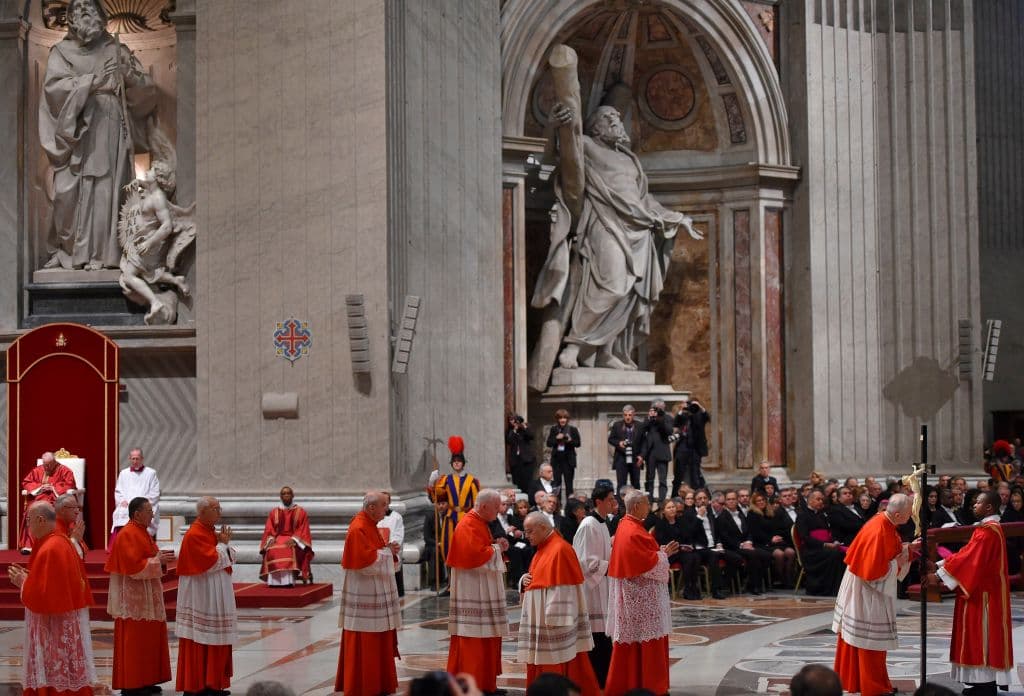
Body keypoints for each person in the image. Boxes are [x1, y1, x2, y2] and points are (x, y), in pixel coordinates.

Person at [528, 102, 701, 387]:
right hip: (605, 223)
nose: (616, 123)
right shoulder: (585, 144)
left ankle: (607, 351)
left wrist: (677, 217)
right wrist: (552, 126)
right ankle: (575, 345)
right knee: (610, 283)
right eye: (609, 119)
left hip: (639, 230)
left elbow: (643, 200)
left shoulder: (630, 160)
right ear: (595, 126)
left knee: (630, 293)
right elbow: (547, 160)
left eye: (618, 119)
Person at [38, 0, 157, 271]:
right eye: (76, 11)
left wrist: (127, 75)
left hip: (112, 126)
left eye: (87, 10)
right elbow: (53, 90)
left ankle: (108, 255)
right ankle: (72, 251)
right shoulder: (61, 53)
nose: (82, 15)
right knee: (69, 193)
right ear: (69, 19)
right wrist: (89, 83)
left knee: (108, 188)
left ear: (100, 16)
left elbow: (147, 93)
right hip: (77, 133)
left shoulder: (117, 49)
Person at [923, 491, 1013, 696]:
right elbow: (966, 554)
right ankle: (982, 684)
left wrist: (937, 575)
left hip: (983, 595)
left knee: (980, 636)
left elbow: (970, 561)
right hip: (984, 592)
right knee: (978, 636)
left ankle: (986, 686)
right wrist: (939, 564)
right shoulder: (988, 529)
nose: (973, 506)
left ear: (989, 507)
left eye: (978, 503)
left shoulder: (988, 532)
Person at [9, 501, 96, 696]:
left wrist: (22, 583)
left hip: (53, 627)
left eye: (29, 521)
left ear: (40, 519)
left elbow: (42, 595)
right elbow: (49, 583)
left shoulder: (50, 547)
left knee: (55, 677)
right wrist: (29, 578)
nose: (28, 527)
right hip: (62, 622)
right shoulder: (60, 541)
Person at [832, 493, 915, 696]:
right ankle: (873, 687)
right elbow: (873, 573)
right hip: (867, 589)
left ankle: (861, 681)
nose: (911, 517)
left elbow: (887, 553)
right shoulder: (878, 529)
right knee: (869, 638)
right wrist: (901, 560)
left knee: (859, 638)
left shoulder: (884, 522)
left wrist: (907, 550)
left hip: (863, 585)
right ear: (897, 514)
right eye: (908, 514)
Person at [518, 512, 600, 694]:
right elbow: (536, 579)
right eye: (526, 532)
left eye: (530, 531)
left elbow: (564, 589)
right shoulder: (543, 547)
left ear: (543, 528)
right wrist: (523, 581)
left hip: (553, 624)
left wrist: (555, 621)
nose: (528, 536)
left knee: (556, 663)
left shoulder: (560, 549)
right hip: (541, 622)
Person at [605, 491, 678, 696]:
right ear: (636, 506)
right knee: (647, 645)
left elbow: (643, 556)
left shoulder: (628, 525)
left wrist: (660, 552)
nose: (650, 507)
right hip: (641, 597)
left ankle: (638, 684)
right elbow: (645, 563)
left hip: (637, 596)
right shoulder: (632, 530)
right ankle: (653, 687)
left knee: (636, 644)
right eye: (646, 503)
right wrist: (664, 555)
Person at [334, 491, 401, 696]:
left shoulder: (370, 525)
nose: (386, 509)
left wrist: (388, 550)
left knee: (378, 636)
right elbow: (365, 562)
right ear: (371, 507)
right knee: (367, 640)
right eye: (383, 505)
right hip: (364, 594)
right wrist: (389, 553)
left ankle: (379, 683)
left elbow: (376, 551)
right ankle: (364, 684)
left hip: (374, 594)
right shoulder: (359, 528)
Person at [105, 496, 173, 695]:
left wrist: (160, 560)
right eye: (149, 510)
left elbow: (149, 558)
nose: (152, 513)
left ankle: (146, 680)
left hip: (147, 595)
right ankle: (132, 684)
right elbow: (134, 568)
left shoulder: (142, 532)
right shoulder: (128, 534)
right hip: (133, 600)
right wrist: (157, 560)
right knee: (135, 643)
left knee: (148, 640)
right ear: (137, 514)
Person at [446, 489, 510, 693]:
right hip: (473, 594)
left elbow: (483, 548)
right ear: (484, 507)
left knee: (487, 637)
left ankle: (486, 684)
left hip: (482, 591)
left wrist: (496, 545)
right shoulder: (467, 525)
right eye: (496, 507)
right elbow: (474, 556)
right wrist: (496, 549)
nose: (499, 511)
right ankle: (475, 686)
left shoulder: (479, 522)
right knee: (475, 641)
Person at [175, 497, 237, 696]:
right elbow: (210, 561)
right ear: (202, 512)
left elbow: (229, 556)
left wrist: (224, 545)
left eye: (220, 508)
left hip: (213, 594)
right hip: (202, 595)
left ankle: (213, 682)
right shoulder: (194, 534)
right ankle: (199, 685)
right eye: (216, 509)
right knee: (202, 638)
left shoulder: (209, 531)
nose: (220, 512)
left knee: (213, 637)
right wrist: (223, 545)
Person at [573, 482, 617, 686]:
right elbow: (585, 562)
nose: (613, 503)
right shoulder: (589, 524)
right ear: (599, 501)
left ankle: (603, 677)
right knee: (596, 635)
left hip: (602, 585)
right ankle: (595, 678)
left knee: (602, 634)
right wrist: (613, 565)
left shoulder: (602, 522)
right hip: (591, 589)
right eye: (610, 499)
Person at [432, 436, 480, 565]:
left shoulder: (472, 481)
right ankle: (451, 581)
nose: (457, 463)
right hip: (450, 517)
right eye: (454, 461)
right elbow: (438, 496)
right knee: (448, 547)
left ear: (463, 463)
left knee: (466, 547)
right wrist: (432, 482)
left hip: (466, 518)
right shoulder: (446, 480)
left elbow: (476, 503)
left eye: (459, 461)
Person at [18, 451, 77, 552]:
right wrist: (40, 487)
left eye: (49, 464)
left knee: (52, 511)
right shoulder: (38, 470)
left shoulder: (65, 471)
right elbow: (26, 482)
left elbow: (69, 485)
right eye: (45, 464)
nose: (46, 467)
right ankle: (31, 545)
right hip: (40, 499)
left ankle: (58, 544)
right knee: (31, 510)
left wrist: (53, 488)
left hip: (57, 500)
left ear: (55, 461)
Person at [258, 486, 314, 587]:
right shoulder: (274, 512)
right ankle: (274, 582)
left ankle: (288, 581)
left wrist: (295, 539)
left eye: (288, 493)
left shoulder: (300, 512)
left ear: (293, 495)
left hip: (293, 539)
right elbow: (269, 529)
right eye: (284, 494)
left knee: (288, 549)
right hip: (277, 538)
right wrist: (270, 539)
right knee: (271, 549)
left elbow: (303, 529)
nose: (286, 495)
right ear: (280, 496)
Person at [795, 490, 846, 596]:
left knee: (841, 553)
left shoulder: (822, 515)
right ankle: (828, 589)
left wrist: (834, 541)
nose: (821, 502)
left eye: (821, 499)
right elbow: (805, 537)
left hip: (824, 547)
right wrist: (824, 544)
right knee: (834, 554)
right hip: (811, 550)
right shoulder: (802, 515)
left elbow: (829, 533)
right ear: (810, 500)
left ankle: (840, 588)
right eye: (818, 499)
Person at [111, 447, 161, 546]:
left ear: (142, 458)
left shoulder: (151, 473)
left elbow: (155, 493)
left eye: (137, 458)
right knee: (121, 512)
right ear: (129, 458)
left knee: (143, 512)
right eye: (133, 458)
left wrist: (144, 504)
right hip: (128, 504)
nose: (135, 461)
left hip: (144, 504)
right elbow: (118, 491)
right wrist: (122, 500)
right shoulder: (123, 473)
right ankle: (122, 545)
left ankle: (143, 543)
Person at [748, 491, 796, 589]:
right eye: (758, 501)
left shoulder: (770, 512)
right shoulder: (752, 514)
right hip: (761, 543)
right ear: (754, 503)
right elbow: (755, 533)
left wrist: (776, 537)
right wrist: (770, 540)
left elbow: (775, 528)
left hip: (774, 541)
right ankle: (779, 579)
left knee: (791, 552)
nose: (761, 502)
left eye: (763, 500)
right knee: (779, 554)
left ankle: (788, 578)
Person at [641, 401, 673, 502]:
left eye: (659, 408)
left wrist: (659, 418)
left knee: (662, 480)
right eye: (655, 408)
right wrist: (650, 418)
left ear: (663, 408)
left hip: (662, 452)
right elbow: (642, 429)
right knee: (649, 479)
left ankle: (662, 501)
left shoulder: (667, 418)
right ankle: (649, 500)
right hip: (650, 453)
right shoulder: (649, 419)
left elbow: (668, 431)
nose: (657, 410)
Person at [609, 405, 645, 493]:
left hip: (635, 458)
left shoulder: (640, 426)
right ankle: (621, 505)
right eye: (625, 415)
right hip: (621, 458)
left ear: (633, 415)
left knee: (636, 483)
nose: (627, 417)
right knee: (621, 484)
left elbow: (644, 442)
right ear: (623, 415)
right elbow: (611, 439)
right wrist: (619, 443)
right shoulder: (617, 425)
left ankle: (637, 504)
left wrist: (642, 456)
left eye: (629, 415)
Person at [547, 409, 581, 500]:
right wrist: (556, 438)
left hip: (568, 461)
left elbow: (578, 443)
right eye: (560, 418)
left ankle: (569, 507)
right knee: (556, 484)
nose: (562, 420)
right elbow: (549, 443)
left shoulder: (572, 429)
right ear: (557, 419)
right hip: (557, 461)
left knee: (569, 485)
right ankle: (557, 505)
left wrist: (570, 440)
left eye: (564, 418)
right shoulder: (554, 429)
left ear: (567, 419)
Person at [377, 491, 406, 595]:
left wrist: (390, 545)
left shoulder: (396, 517)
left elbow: (398, 534)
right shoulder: (375, 516)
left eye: (386, 502)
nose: (384, 504)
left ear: (389, 502)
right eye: (381, 502)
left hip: (391, 548)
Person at [506, 414, 537, 495]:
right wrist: (515, 429)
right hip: (516, 461)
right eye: (511, 420)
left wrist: (524, 427)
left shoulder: (525, 429)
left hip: (527, 460)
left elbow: (531, 436)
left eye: (515, 420)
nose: (514, 422)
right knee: (517, 482)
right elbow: (509, 441)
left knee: (527, 482)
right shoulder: (510, 431)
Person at [55, 493, 88, 560]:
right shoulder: (53, 529)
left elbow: (84, 551)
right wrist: (73, 541)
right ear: (63, 510)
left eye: (77, 508)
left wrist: (77, 541)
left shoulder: (71, 526)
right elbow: (61, 557)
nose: (77, 512)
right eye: (73, 508)